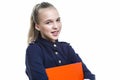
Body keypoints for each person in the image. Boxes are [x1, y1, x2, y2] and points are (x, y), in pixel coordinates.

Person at [25, 2, 95, 80]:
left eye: (57, 20)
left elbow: (88, 75)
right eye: (48, 22)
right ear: (37, 26)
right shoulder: (34, 50)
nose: (55, 26)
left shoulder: (66, 48)